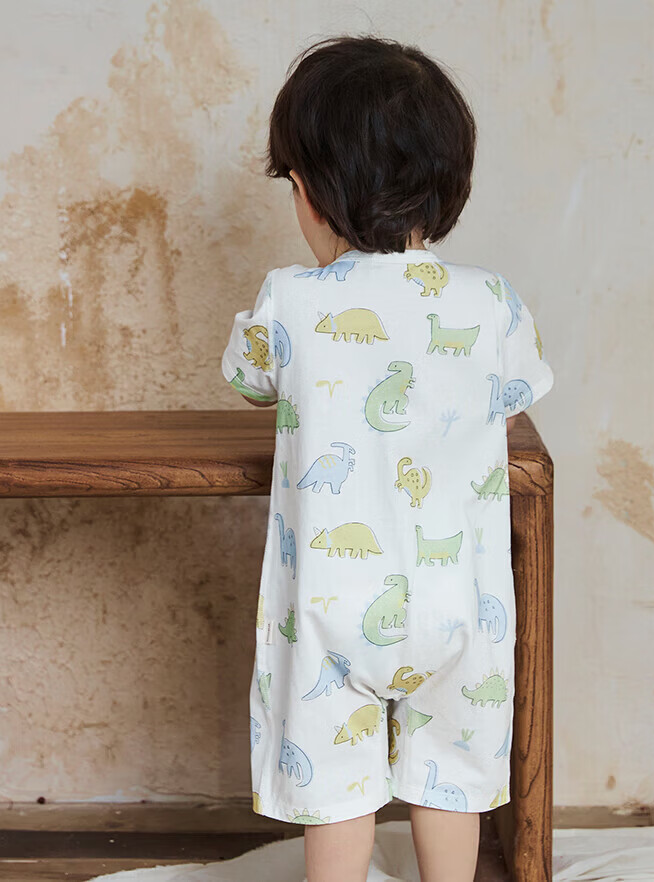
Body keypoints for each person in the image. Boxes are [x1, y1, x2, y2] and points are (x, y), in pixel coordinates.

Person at [221, 35, 554, 882]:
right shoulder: (491, 303)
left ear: (309, 191)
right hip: (460, 607)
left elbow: (249, 379)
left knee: (335, 792)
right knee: (452, 781)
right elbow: (518, 391)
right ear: (447, 186)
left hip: (332, 610)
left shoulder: (290, 300)